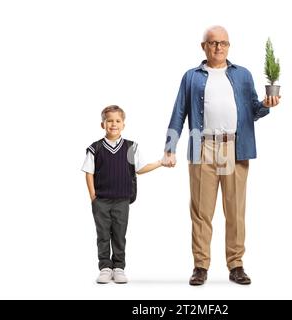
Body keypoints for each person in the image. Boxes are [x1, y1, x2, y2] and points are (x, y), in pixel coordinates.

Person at [162, 26, 280, 285]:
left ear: (229, 46)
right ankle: (201, 266)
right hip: (201, 146)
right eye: (213, 43)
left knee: (235, 210)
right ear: (203, 46)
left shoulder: (243, 75)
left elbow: (252, 111)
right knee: (201, 211)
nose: (218, 47)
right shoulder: (191, 77)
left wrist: (266, 106)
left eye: (223, 43)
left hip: (234, 148)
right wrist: (169, 148)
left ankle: (236, 265)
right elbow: (179, 111)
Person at [82, 105, 162, 284]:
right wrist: (93, 197)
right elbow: (89, 172)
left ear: (123, 125)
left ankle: (119, 267)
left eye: (117, 121)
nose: (113, 124)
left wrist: (160, 162)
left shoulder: (130, 147)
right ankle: (105, 267)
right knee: (103, 234)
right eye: (109, 120)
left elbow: (140, 169)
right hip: (101, 200)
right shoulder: (95, 148)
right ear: (102, 124)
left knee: (119, 233)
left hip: (122, 200)